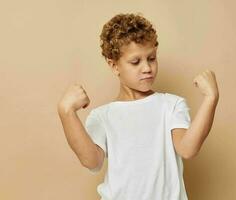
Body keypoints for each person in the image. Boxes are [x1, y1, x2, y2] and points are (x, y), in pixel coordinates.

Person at [57, 13, 219, 200]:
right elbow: (92, 161)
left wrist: (210, 98)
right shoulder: (102, 116)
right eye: (136, 62)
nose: (147, 68)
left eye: (151, 58)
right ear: (114, 65)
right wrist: (66, 113)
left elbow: (188, 149)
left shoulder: (171, 105)